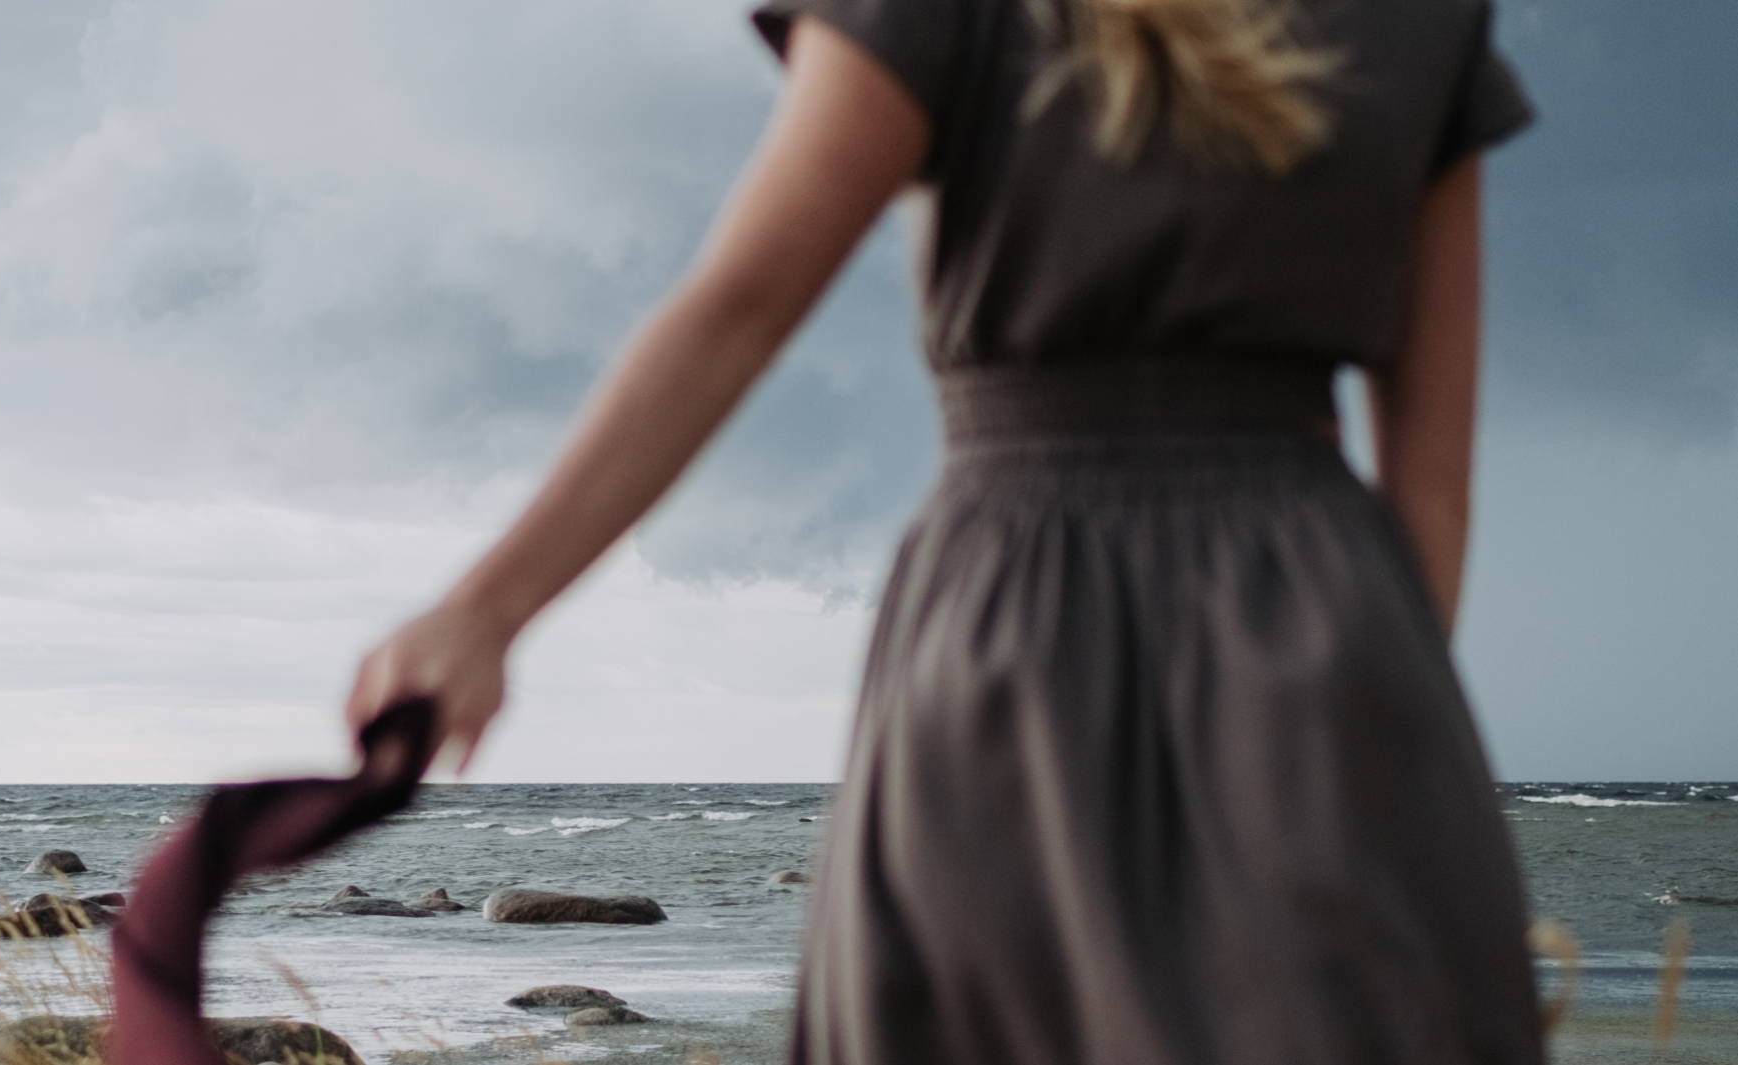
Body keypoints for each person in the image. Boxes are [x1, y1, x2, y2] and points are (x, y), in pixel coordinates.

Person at [344, 0, 1542, 1059]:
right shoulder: (1417, 20)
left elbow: (735, 312)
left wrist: (489, 606)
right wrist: (1375, 734)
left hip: (1020, 615)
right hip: (1323, 618)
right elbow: (1430, 482)